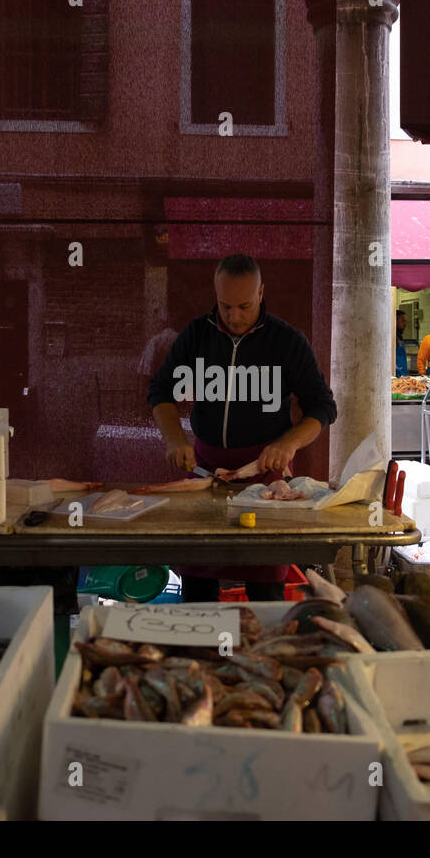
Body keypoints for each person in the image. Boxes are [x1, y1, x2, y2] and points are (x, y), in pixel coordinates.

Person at [148, 254, 338, 601]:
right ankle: (200, 650)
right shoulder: (196, 335)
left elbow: (323, 407)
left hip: (266, 476)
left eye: (244, 306)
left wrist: (289, 444)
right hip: (205, 475)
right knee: (197, 583)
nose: (234, 317)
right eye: (225, 306)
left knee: (266, 586)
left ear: (261, 293)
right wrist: (174, 439)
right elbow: (160, 392)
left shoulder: (286, 340)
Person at [395, 310, 410, 377]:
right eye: (402, 321)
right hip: (396, 375)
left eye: (406, 321)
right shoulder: (392, 338)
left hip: (403, 374)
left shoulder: (399, 337)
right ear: (395, 321)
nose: (405, 324)